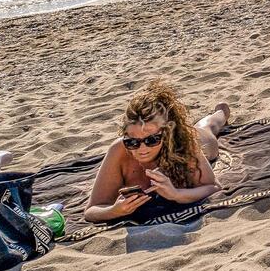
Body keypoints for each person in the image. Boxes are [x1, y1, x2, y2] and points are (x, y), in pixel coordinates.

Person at [83, 80, 230, 224]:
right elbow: (91, 211)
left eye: (151, 140)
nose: (142, 149)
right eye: (132, 142)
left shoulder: (185, 145)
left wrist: (176, 194)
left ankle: (221, 111)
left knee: (209, 127)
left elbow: (214, 187)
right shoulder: (119, 150)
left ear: (167, 134)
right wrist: (115, 211)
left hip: (201, 142)